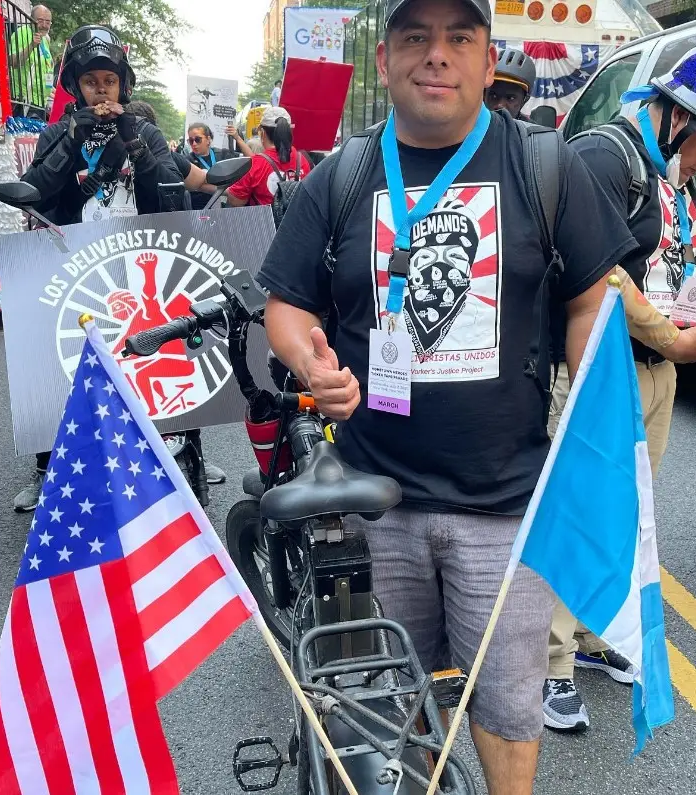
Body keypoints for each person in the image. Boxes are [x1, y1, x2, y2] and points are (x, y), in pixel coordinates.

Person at [255, 0, 641, 791]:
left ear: (484, 55)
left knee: (506, 706)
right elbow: (286, 300)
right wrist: (306, 357)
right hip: (371, 503)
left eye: (457, 38)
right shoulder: (344, 173)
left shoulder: (545, 164)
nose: (437, 56)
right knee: (382, 706)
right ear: (386, 59)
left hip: (505, 506)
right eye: (415, 38)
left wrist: (589, 399)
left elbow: (586, 297)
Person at [541, 43, 696, 732]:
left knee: (622, 512)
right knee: (577, 510)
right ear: (679, 116)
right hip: (592, 368)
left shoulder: (671, 176)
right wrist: (673, 337)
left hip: (651, 372)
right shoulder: (601, 156)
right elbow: (600, 271)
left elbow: (661, 270)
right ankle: (547, 662)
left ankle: (589, 637)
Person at [10, 26, 222, 510]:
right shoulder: (56, 131)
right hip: (70, 264)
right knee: (54, 361)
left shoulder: (144, 130)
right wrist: (71, 143)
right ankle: (48, 468)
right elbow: (36, 190)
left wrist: (136, 145)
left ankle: (191, 449)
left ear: (122, 85)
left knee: (169, 346)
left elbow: (172, 193)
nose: (101, 90)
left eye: (109, 80)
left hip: (139, 260)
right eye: (91, 82)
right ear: (77, 87)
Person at [226, 107, 312, 207]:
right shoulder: (303, 160)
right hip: (294, 221)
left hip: (263, 221)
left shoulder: (256, 164)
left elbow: (236, 201)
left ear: (262, 132)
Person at [185, 123, 251, 209]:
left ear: (208, 139)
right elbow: (197, 185)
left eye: (197, 139)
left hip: (223, 208)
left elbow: (251, 159)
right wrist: (228, 191)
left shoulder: (222, 154)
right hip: (199, 209)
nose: (193, 144)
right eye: (190, 140)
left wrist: (237, 138)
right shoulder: (188, 160)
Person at [8, 4, 54, 118]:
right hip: (24, 102)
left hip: (40, 103)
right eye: (40, 21)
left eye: (48, 22)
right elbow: (12, 62)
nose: (44, 25)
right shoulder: (23, 33)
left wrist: (51, 89)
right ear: (31, 19)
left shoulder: (44, 39)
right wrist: (31, 46)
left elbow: (45, 68)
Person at [484, 47, 535, 120]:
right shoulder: (466, 128)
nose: (500, 105)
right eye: (493, 96)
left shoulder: (530, 131)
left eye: (511, 98)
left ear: (524, 100)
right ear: (484, 96)